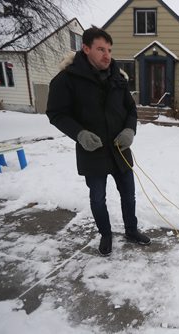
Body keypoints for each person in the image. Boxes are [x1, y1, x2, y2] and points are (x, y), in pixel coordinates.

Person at [46, 27, 150, 256]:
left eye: (109, 50)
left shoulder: (118, 78)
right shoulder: (66, 79)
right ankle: (105, 234)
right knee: (98, 198)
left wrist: (129, 130)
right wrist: (80, 134)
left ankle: (131, 231)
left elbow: (131, 110)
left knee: (129, 195)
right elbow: (56, 113)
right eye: (101, 49)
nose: (107, 55)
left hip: (119, 150)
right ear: (86, 48)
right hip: (92, 152)